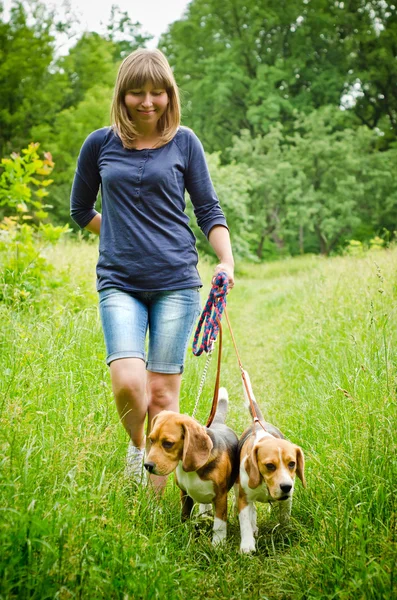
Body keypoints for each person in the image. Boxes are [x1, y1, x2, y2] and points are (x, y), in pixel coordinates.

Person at [70, 48, 234, 493]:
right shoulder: (99, 144)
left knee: (163, 395)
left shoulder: (185, 142)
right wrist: (119, 232)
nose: (147, 102)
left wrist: (225, 259)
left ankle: (157, 503)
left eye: (156, 92)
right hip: (119, 281)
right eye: (136, 93)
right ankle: (142, 448)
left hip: (176, 282)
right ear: (122, 95)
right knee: (127, 382)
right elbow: (80, 209)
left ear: (169, 94)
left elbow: (208, 210)